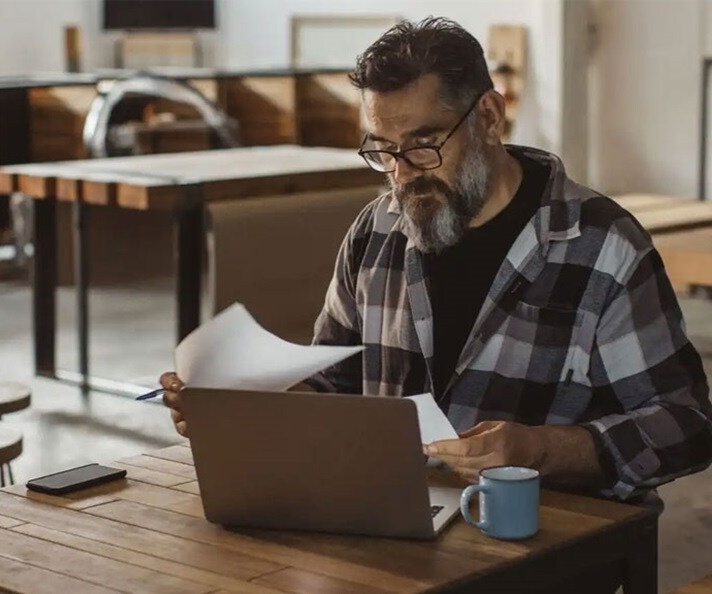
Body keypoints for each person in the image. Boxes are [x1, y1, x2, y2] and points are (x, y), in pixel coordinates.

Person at [162, 17, 712, 509]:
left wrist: (540, 450)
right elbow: (332, 389)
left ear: (490, 117)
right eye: (382, 150)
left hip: (546, 541)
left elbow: (687, 424)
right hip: (395, 520)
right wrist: (235, 411)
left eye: (424, 144)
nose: (402, 174)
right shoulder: (375, 232)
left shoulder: (603, 247)